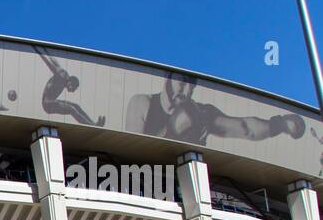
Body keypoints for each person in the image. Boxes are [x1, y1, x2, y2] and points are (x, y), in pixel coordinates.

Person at [126, 72, 305, 145]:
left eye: (192, 87)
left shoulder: (203, 114)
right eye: (182, 83)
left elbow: (246, 128)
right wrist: (171, 133)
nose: (187, 91)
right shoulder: (143, 104)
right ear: (170, 78)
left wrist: (279, 125)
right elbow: (132, 153)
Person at [33, 45, 105, 127]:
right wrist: (39, 51)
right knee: (71, 109)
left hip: (53, 101)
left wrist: (45, 50)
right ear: (70, 83)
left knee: (76, 106)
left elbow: (55, 62)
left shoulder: (65, 74)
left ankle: (94, 123)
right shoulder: (61, 76)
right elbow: (50, 64)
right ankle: (91, 125)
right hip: (48, 104)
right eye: (73, 88)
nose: (72, 91)